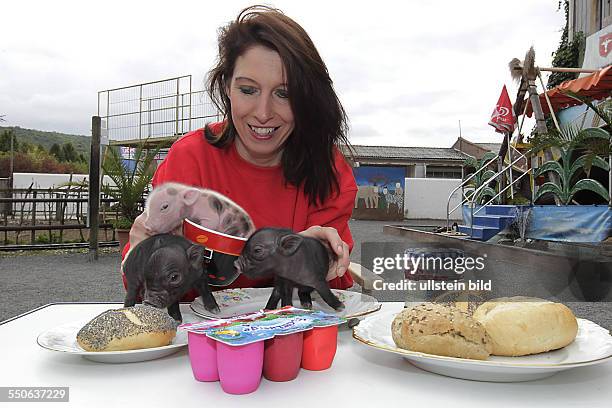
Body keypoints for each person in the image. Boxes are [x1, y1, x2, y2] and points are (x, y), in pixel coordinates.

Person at [123, 5, 357, 295]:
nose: (263, 113)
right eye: (248, 90)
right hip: (203, 333)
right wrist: (144, 253)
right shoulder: (190, 158)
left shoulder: (327, 165)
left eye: (284, 94)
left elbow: (330, 290)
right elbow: (148, 289)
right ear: (227, 87)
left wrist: (319, 256)